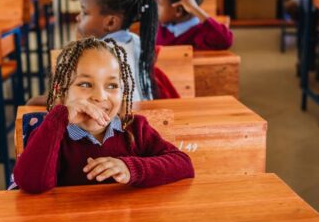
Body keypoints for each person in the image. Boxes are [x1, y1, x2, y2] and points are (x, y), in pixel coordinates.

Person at [13, 37, 195, 194]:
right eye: (84, 84)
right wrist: (58, 118)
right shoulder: (51, 133)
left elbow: (183, 164)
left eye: (112, 86)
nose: (100, 97)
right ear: (61, 91)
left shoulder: (134, 128)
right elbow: (32, 184)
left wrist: (131, 168)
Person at [28, 0, 158, 104]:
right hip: (139, 114)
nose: (78, 17)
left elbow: (81, 100)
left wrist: (38, 101)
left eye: (85, 12)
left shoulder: (99, 55)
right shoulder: (135, 41)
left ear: (110, 22)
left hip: (114, 123)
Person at [156, 0, 233, 50]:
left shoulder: (200, 35)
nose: (154, 8)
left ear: (178, 11)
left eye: (158, 4)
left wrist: (195, 9)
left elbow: (225, 40)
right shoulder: (159, 27)